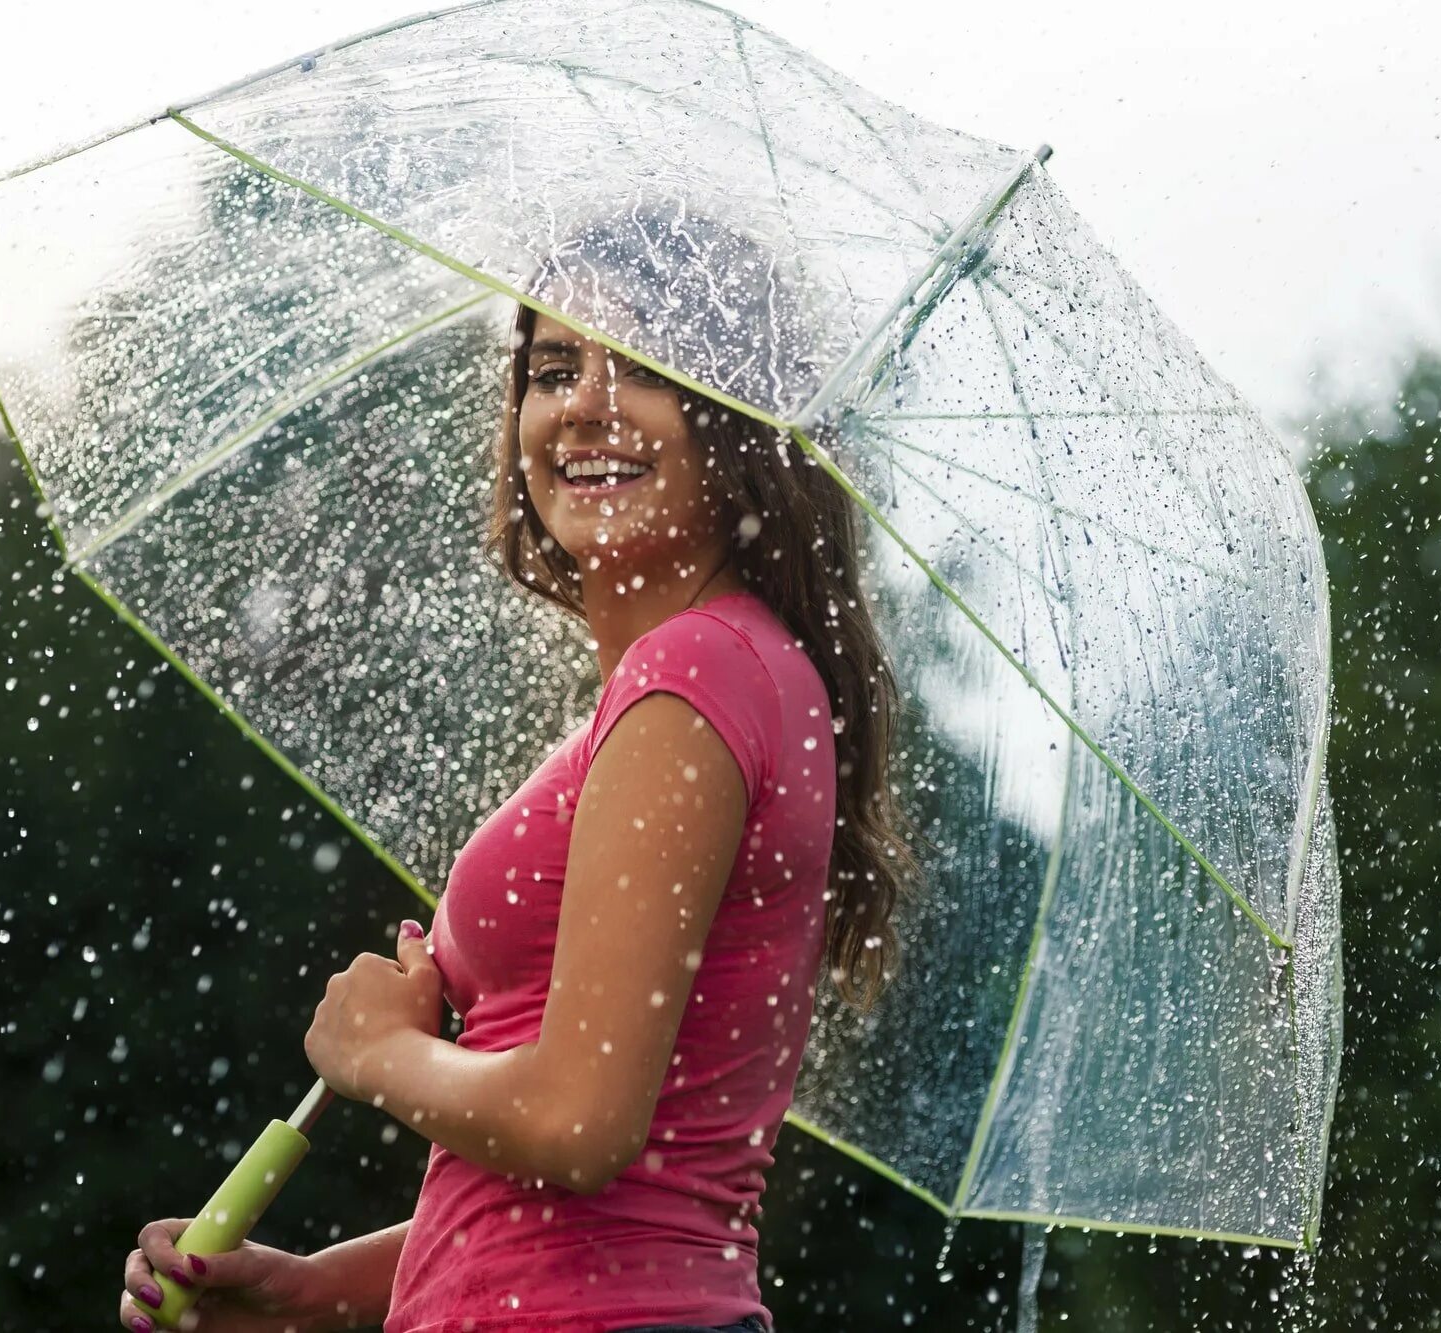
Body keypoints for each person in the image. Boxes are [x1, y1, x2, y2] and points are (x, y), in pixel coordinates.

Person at [118, 209, 923, 1333]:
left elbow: (574, 1127)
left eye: (644, 366)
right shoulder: (710, 677)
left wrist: (378, 1051)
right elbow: (588, 1186)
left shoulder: (693, 673)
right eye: (552, 369)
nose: (586, 403)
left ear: (738, 420)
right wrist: (308, 1290)